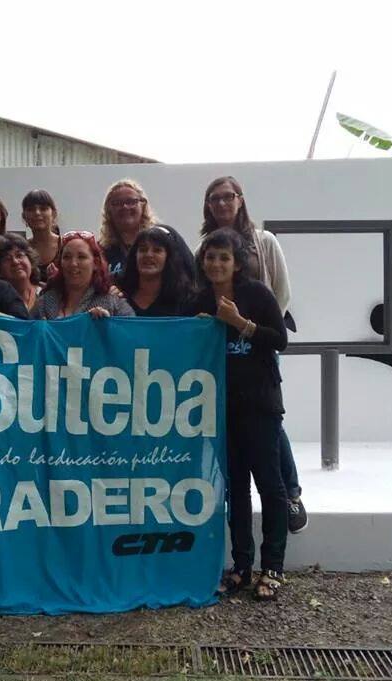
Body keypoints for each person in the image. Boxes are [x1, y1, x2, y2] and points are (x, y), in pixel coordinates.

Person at [201, 176, 306, 533]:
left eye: (227, 197)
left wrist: (251, 326)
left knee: (269, 422)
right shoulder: (205, 246)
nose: (221, 203)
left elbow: (280, 292)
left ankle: (291, 493)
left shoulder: (264, 241)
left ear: (240, 199)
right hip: (224, 351)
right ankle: (243, 554)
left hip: (258, 342)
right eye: (214, 199)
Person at [191, 228, 288, 600]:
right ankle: (242, 566)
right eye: (210, 257)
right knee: (236, 489)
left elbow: (279, 340)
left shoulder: (257, 294)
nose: (216, 264)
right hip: (221, 409)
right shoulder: (198, 299)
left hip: (260, 405)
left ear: (237, 263)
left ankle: (273, 567)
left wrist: (239, 323)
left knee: (270, 485)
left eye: (224, 257)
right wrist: (199, 329)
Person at [33, 231, 134, 318]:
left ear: (95, 263)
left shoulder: (113, 304)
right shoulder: (44, 303)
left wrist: (109, 325)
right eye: (67, 257)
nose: (73, 263)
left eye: (81, 257)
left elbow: (132, 331)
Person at [117, 226, 195, 316]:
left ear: (168, 257)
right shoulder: (119, 295)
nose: (149, 255)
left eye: (157, 250)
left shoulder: (186, 300)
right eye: (143, 250)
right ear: (135, 255)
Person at [98, 179, 158, 277]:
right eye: (117, 203)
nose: (125, 207)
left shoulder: (160, 244)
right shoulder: (100, 252)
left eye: (131, 201)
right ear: (109, 210)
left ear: (143, 205)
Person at [0, 233, 43, 312]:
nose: (15, 262)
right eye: (7, 258)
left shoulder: (45, 293)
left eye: (19, 255)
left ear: (30, 259)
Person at [21, 189, 60, 282]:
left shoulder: (67, 245)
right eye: (31, 209)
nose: (37, 213)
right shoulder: (21, 249)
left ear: (54, 214)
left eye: (43, 209)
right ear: (24, 216)